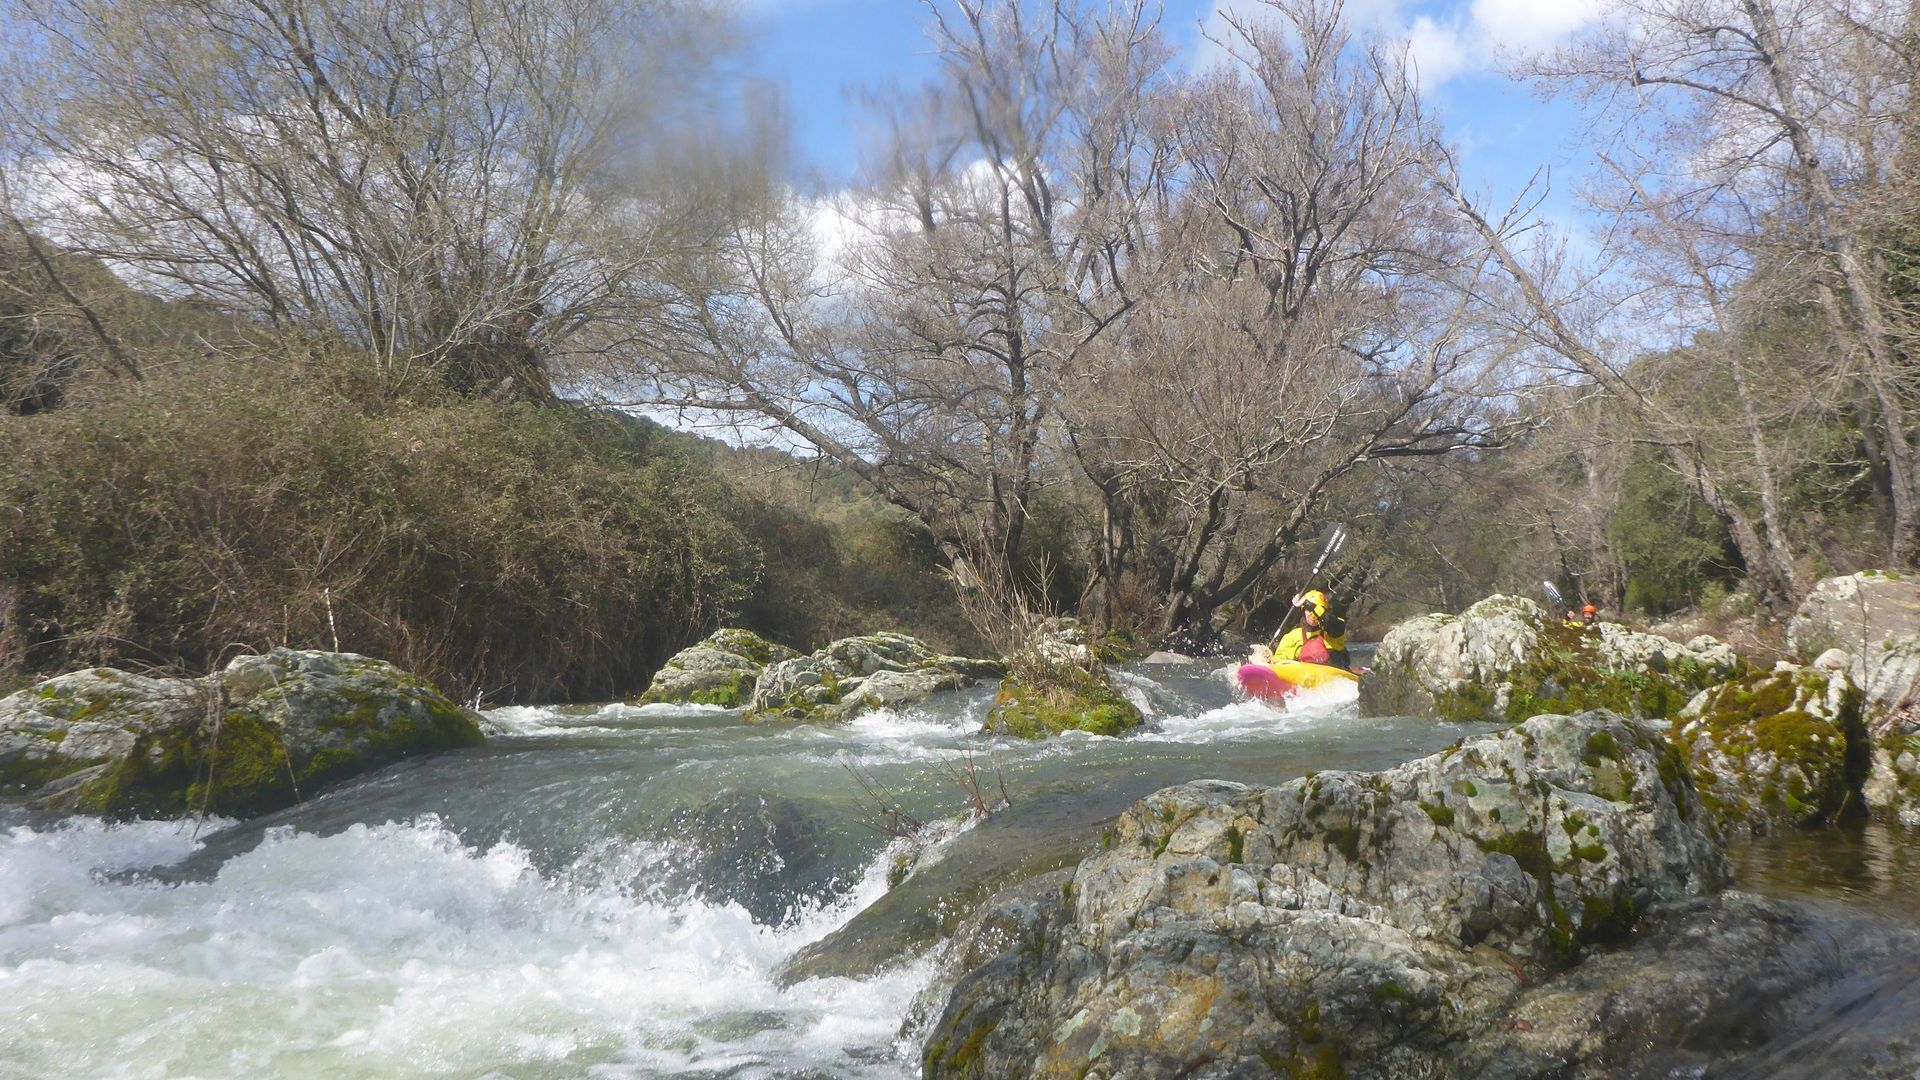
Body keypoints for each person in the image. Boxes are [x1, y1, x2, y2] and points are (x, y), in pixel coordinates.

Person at [1271, 589, 1351, 669]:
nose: (1313, 615)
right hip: (1305, 677)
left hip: (1334, 676)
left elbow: (1328, 621)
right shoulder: (1293, 636)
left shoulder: (1335, 628)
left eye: (1316, 610)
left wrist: (1308, 604)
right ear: (1303, 612)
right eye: (1308, 610)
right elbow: (1280, 661)